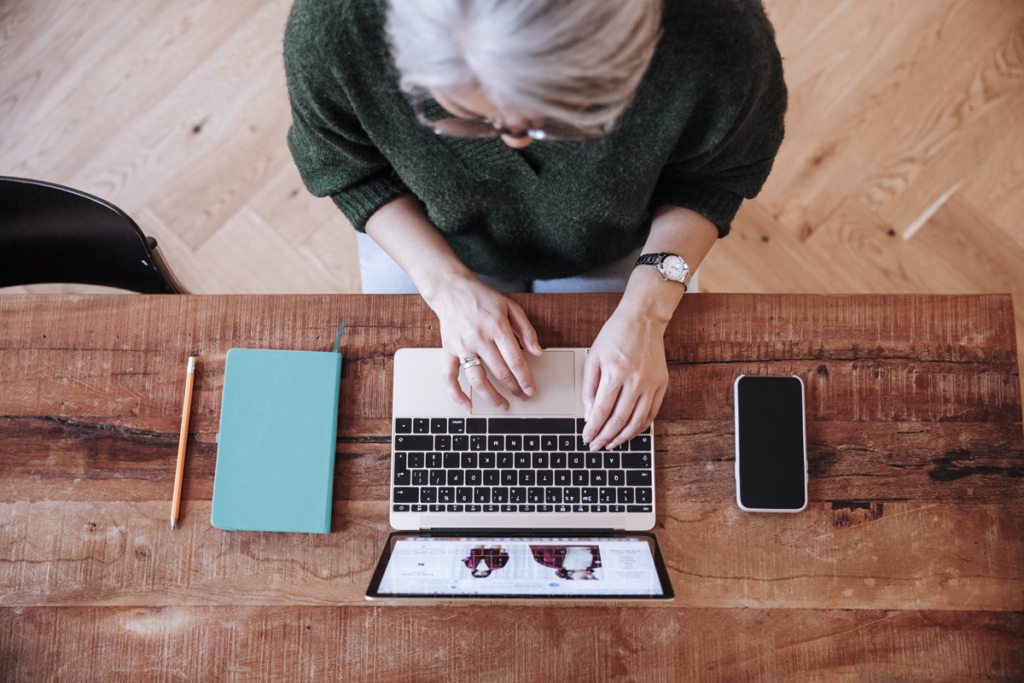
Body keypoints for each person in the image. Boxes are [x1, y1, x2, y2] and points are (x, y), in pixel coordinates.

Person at [284, 0, 786, 451]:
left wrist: (646, 314)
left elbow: (712, 178)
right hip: (425, 232)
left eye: (564, 119)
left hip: (625, 239)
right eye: (469, 116)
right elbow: (347, 166)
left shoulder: (723, 33)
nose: (517, 143)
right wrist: (446, 286)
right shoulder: (334, 24)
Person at [529, 545, 602, 581]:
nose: (590, 575)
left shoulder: (548, 561)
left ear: (570, 577)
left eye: (584, 578)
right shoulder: (600, 562)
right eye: (594, 577)